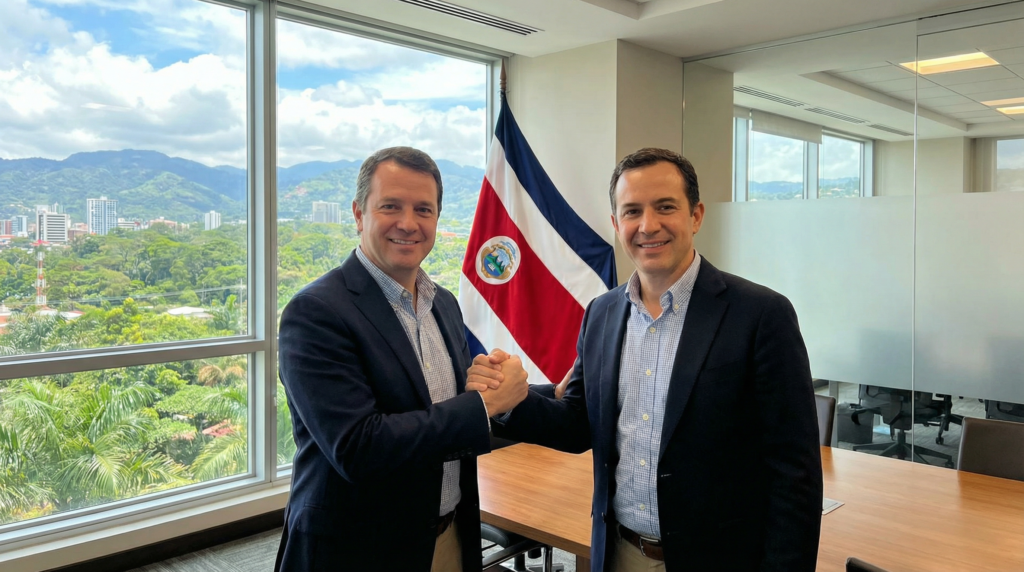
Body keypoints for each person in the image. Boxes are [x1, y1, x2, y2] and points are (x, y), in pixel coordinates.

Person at [473, 148, 823, 572]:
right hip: (620, 552)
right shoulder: (601, 313)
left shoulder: (761, 315)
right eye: (632, 211)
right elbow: (579, 423)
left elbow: (795, 473)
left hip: (721, 558)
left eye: (665, 207)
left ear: (695, 216)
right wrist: (510, 399)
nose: (648, 225)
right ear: (617, 224)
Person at [275, 146, 528, 572]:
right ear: (359, 214)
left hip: (448, 538)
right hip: (358, 551)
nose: (408, 224)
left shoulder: (441, 303)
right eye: (390, 206)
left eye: (423, 210)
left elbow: (462, 398)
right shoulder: (316, 312)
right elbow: (359, 447)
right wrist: (485, 405)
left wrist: (550, 395)